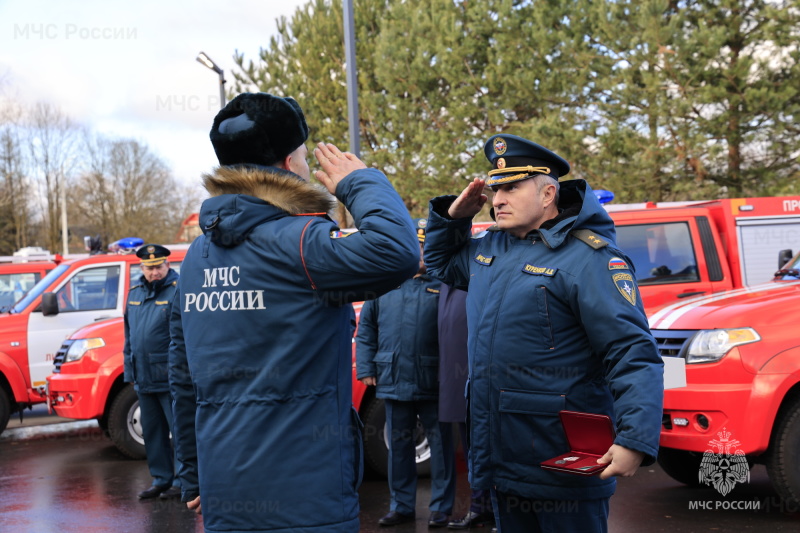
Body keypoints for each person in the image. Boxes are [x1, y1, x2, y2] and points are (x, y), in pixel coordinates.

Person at [168, 92, 420, 532]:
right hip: (305, 499)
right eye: (304, 156)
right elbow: (398, 253)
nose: (309, 167)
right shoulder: (300, 242)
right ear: (288, 164)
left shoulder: (196, 257)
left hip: (225, 494)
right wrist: (360, 181)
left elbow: (183, 375)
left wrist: (192, 474)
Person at [423, 134, 664, 533]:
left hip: (563, 465)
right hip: (502, 461)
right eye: (495, 188)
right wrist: (453, 218)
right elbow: (440, 263)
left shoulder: (588, 258)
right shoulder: (489, 251)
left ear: (549, 193)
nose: (497, 199)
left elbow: (631, 352)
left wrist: (634, 439)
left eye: (511, 188)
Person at [356, 219, 456, 528]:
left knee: (440, 447)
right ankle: (401, 505)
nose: (421, 253)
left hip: (433, 380)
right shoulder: (383, 285)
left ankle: (441, 507)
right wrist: (367, 367)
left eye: (425, 248)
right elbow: (367, 329)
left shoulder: (445, 284)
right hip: (392, 378)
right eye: (416, 248)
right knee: (398, 448)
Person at [123, 243, 181, 500]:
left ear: (167, 265)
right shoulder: (134, 292)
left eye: (158, 267)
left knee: (180, 431)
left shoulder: (178, 290)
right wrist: (130, 372)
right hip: (143, 376)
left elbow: (184, 337)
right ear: (141, 267)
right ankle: (161, 479)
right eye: (149, 268)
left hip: (170, 376)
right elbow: (129, 337)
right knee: (152, 432)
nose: (154, 272)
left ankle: (183, 481)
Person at [437, 282, 494, 530]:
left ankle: (497, 510)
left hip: (482, 379)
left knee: (489, 449)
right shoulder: (446, 283)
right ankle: (480, 507)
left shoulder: (477, 275)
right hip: (457, 378)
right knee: (473, 451)